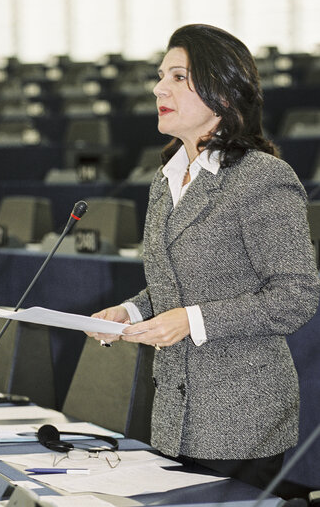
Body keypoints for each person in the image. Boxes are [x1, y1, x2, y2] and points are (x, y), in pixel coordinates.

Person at [87, 24, 320, 491]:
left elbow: (297, 295)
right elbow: (176, 283)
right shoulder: (167, 178)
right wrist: (130, 312)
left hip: (243, 417)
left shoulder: (262, 178)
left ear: (225, 92)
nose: (158, 88)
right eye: (160, 76)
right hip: (176, 408)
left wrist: (190, 321)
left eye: (178, 77)